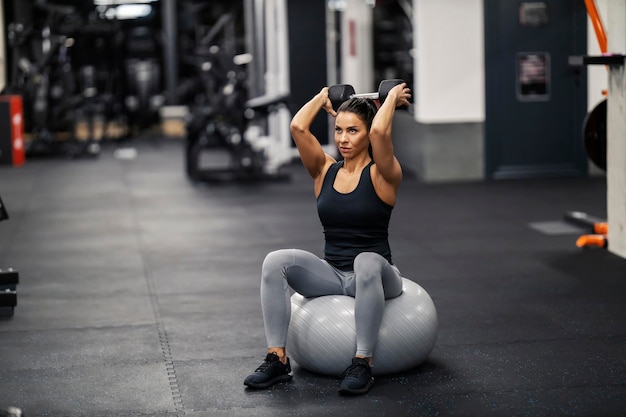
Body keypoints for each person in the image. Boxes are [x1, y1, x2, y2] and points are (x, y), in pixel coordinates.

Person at [243, 82, 412, 395]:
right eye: (339, 130)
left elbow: (380, 135)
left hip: (377, 274)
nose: (343, 139)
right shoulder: (324, 170)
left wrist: (387, 101)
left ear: (367, 133)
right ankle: (277, 359)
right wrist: (321, 96)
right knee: (275, 261)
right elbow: (297, 126)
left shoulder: (383, 174)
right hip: (333, 274)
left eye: (353, 131)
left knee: (365, 262)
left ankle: (362, 362)